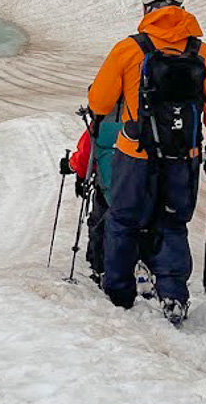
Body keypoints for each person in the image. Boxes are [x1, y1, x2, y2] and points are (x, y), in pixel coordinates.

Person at [83, 0, 206, 325]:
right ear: (181, 8)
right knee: (172, 223)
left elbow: (99, 102)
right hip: (183, 158)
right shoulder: (202, 54)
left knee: (123, 221)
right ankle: (174, 294)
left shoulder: (129, 49)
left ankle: (119, 293)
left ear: (146, 9)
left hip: (134, 155)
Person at [58, 115, 156, 290]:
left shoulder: (99, 124)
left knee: (100, 224)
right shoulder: (143, 118)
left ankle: (99, 266)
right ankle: (143, 265)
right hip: (138, 187)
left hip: (107, 189)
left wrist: (72, 168)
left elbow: (84, 156)